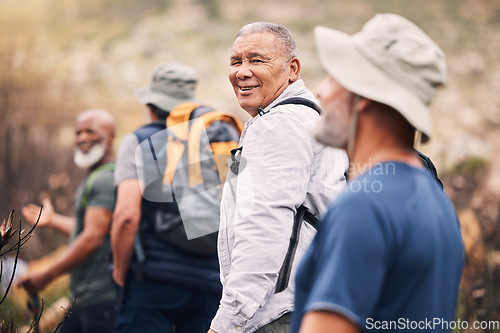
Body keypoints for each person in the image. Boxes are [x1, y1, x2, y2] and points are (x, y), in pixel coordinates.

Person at [292, 14, 464, 333]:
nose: (322, 91)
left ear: (365, 94)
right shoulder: (438, 204)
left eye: (334, 75)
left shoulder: (363, 206)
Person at [208, 22, 348, 333]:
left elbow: (265, 228)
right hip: (312, 303)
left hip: (277, 314)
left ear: (292, 69)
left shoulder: (279, 125)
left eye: (257, 60)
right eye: (236, 61)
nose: (242, 72)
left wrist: (227, 323)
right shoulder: (311, 117)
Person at [111, 62, 242, 332]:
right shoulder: (215, 137)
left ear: (151, 106)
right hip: (211, 283)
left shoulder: (139, 140)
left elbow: (126, 216)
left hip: (153, 281)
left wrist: (119, 274)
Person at [18, 108, 117, 333]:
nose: (82, 137)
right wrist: (53, 220)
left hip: (103, 299)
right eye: (78, 132)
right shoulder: (96, 177)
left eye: (90, 131)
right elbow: (92, 229)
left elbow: (93, 238)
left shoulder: (105, 179)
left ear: (111, 136)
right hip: (85, 298)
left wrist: (47, 275)